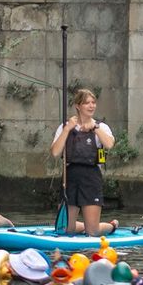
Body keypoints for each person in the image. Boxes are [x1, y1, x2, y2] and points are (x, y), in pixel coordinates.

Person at [50, 87, 115, 236]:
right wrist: (67, 130)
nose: (91, 106)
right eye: (87, 103)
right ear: (78, 106)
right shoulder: (65, 126)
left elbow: (110, 145)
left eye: (93, 102)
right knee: (66, 230)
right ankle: (77, 225)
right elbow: (55, 152)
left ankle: (110, 226)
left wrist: (95, 128)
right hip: (70, 177)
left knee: (92, 232)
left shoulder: (101, 126)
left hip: (91, 178)